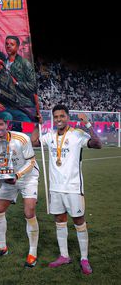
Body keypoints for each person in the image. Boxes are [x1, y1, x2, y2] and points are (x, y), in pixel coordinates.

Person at [31, 103, 102, 275]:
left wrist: (88, 124)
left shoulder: (77, 134)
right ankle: (64, 256)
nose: (59, 119)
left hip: (73, 187)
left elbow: (98, 144)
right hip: (55, 188)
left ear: (67, 117)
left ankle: (84, 258)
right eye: (56, 117)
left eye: (62, 116)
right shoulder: (50, 135)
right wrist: (37, 124)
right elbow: (34, 142)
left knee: (79, 221)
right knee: (60, 221)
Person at [0, 114, 40, 267]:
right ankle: (2, 247)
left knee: (29, 212)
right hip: (10, 180)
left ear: (7, 124)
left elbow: (31, 162)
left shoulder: (21, 138)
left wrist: (17, 175)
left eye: (0, 124)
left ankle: (32, 252)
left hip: (28, 177)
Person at [4, 35, 38, 122]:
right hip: (7, 104)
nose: (8, 46)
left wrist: (17, 83)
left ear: (18, 47)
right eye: (7, 44)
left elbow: (33, 86)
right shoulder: (2, 63)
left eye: (12, 44)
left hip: (22, 106)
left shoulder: (25, 63)